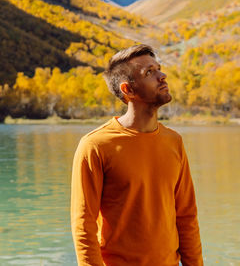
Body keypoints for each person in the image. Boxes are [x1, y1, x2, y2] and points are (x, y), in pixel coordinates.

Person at [71, 44, 203, 266]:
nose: (162, 76)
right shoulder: (95, 146)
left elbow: (186, 217)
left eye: (158, 68)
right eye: (149, 73)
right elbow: (83, 226)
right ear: (128, 90)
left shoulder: (174, 142)